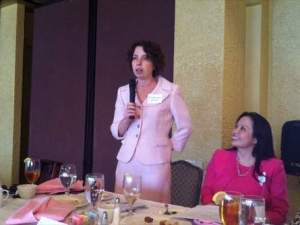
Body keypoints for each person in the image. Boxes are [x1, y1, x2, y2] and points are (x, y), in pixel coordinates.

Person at [110, 40, 192, 203]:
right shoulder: (124, 92)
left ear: (154, 63)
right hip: (127, 162)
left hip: (155, 164)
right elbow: (115, 130)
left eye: (145, 58)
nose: (138, 63)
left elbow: (186, 126)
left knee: (153, 211)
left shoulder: (170, 91)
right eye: (135, 58)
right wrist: (126, 118)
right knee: (125, 208)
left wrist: (169, 145)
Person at [201, 112, 288, 225]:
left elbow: (280, 212)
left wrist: (251, 218)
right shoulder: (219, 156)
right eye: (236, 126)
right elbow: (206, 192)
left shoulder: (274, 166)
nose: (235, 131)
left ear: (256, 139)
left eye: (243, 129)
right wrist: (217, 211)